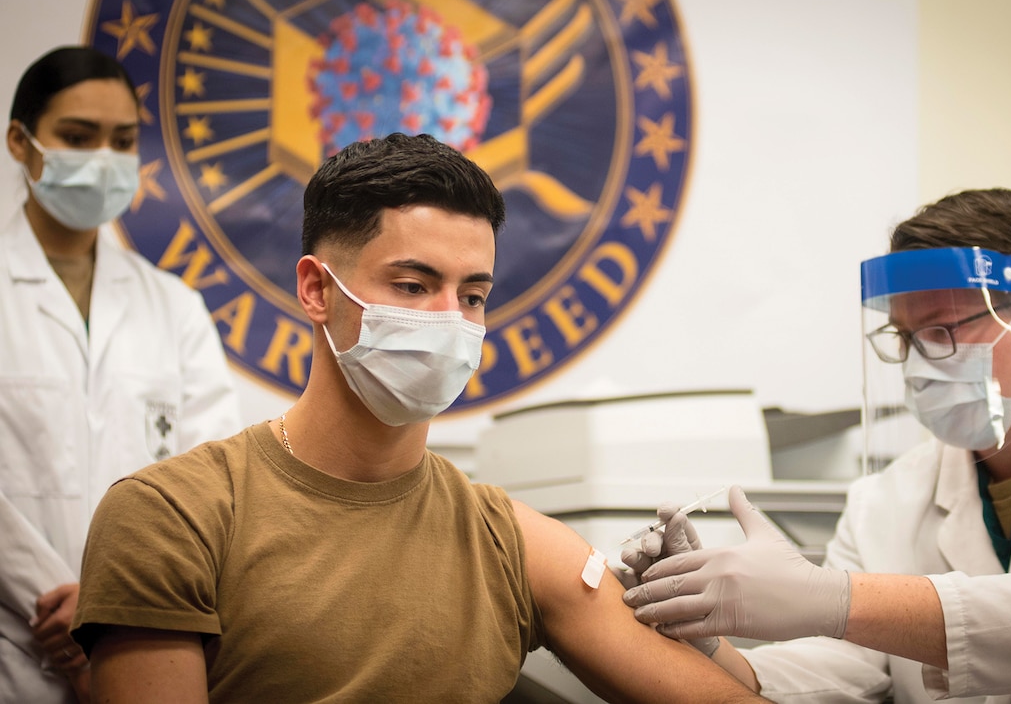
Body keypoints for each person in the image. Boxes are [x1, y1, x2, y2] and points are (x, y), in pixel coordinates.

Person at [69, 133, 766, 703]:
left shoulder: (507, 541)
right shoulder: (172, 516)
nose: (449, 321)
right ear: (316, 288)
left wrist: (702, 625)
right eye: (413, 285)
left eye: (473, 295)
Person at [620, 188, 1011, 702]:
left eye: (939, 332)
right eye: (905, 339)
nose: (915, 365)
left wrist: (834, 598)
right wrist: (710, 646)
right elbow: (846, 666)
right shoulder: (885, 500)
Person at [0, 46, 240, 703]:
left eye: (123, 140)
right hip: (16, 646)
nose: (103, 158)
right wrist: (66, 613)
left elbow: (213, 484)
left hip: (146, 632)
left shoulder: (175, 306)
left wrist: (110, 608)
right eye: (78, 137)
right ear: (21, 142)